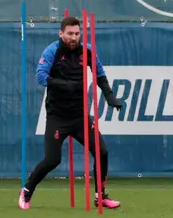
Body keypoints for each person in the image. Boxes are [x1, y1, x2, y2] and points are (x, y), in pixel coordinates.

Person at [18, 17, 122, 210]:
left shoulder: (87, 50)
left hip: (80, 116)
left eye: (77, 34)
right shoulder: (52, 51)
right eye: (70, 34)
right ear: (61, 34)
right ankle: (26, 191)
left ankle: (101, 196)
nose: (74, 38)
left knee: (102, 152)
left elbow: (99, 74)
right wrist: (66, 85)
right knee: (52, 160)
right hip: (57, 116)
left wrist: (110, 97)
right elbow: (41, 76)